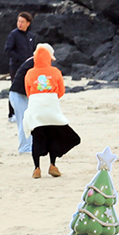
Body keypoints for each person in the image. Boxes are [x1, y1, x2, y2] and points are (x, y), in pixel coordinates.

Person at [23, 44, 81, 178]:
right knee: (54, 136)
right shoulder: (55, 72)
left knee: (37, 137)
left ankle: (37, 168)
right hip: (51, 108)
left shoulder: (30, 73)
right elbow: (61, 91)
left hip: (36, 109)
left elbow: (28, 91)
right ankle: (52, 165)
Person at [4, 12, 35, 122]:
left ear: (28, 23)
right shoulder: (14, 34)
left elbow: (33, 51)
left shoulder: (30, 36)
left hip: (29, 68)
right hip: (16, 66)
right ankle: (12, 114)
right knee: (15, 88)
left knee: (28, 88)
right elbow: (8, 49)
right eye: (18, 21)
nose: (20, 24)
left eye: (22, 22)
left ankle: (26, 111)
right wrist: (19, 59)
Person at [10, 55, 34, 154]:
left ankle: (30, 146)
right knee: (24, 122)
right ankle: (24, 148)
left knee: (30, 121)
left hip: (23, 95)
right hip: (18, 95)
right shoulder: (33, 63)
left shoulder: (32, 62)